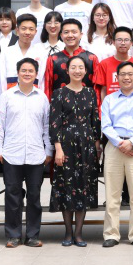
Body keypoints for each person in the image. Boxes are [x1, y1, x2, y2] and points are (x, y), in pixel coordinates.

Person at [0, 58, 53, 248]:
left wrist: (48, 150)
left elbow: (47, 126)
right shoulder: (7, 96)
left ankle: (33, 235)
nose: (27, 74)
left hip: (36, 155)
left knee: (34, 197)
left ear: (36, 74)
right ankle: (13, 235)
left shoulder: (42, 97)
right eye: (23, 70)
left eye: (31, 71)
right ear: (17, 73)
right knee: (13, 196)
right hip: (12, 153)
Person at [100, 61, 133, 248]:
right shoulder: (109, 99)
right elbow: (106, 125)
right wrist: (120, 143)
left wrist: (131, 142)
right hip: (114, 147)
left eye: (130, 74)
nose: (126, 77)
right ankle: (111, 234)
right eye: (122, 74)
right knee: (112, 194)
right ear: (117, 77)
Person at [49, 57, 100, 247]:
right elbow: (54, 122)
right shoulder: (59, 93)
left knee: (83, 188)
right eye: (73, 67)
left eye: (81, 67)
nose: (77, 71)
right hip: (66, 146)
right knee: (67, 188)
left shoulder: (90, 93)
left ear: (86, 71)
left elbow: (95, 120)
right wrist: (58, 148)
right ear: (67, 71)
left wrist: (97, 146)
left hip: (86, 146)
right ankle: (68, 232)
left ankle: (79, 233)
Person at [0, 13, 48, 102]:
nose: (27, 32)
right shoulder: (6, 52)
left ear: (35, 32)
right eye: (24, 28)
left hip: (34, 100)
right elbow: (0, 81)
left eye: (31, 29)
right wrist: (2, 102)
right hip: (10, 100)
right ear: (17, 30)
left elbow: (42, 82)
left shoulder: (41, 53)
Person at [44, 19, 100, 97]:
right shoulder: (53, 59)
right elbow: (48, 88)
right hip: (60, 103)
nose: (70, 35)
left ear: (81, 35)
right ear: (61, 35)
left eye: (74, 32)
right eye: (66, 32)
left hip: (86, 103)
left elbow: (96, 88)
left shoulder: (92, 58)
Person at [97, 27, 133, 101]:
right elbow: (103, 90)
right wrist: (105, 105)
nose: (123, 43)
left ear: (131, 43)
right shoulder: (104, 64)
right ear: (113, 42)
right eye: (119, 40)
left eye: (126, 40)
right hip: (111, 105)